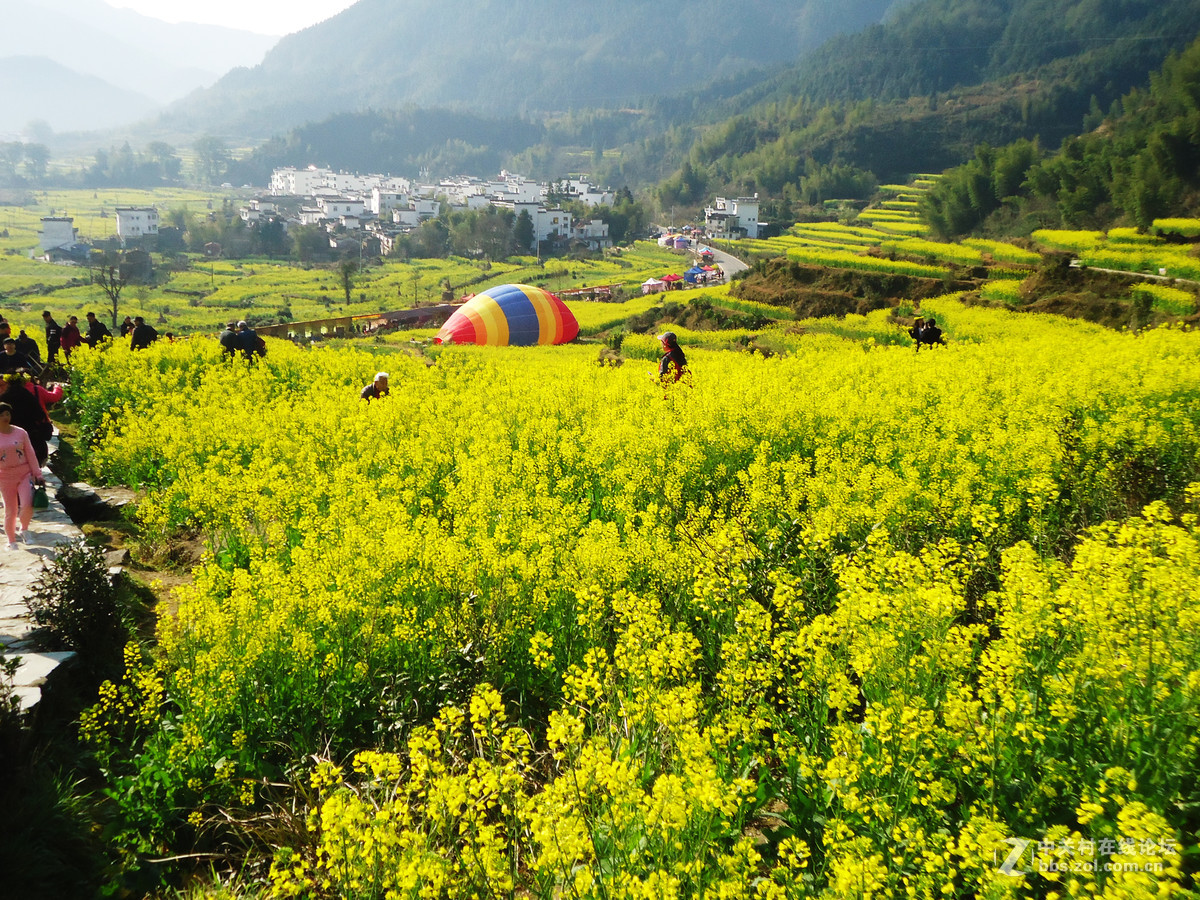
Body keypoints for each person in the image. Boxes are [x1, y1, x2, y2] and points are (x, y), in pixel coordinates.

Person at [0, 400, 44, 550]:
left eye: (7, 414)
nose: (5, 417)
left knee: (27, 504)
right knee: (10, 510)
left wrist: (37, 473)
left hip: (24, 473)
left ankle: (24, 529)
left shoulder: (20, 432)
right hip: (5, 477)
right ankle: (11, 540)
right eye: (1, 415)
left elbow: (30, 454)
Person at [0, 375, 49, 468]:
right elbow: (40, 414)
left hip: (9, 433)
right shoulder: (28, 395)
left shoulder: (4, 398)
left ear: (9, 383)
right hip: (30, 432)